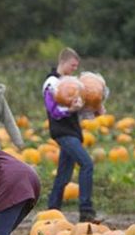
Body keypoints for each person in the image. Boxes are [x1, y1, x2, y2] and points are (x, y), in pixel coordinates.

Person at [43, 47, 100, 222]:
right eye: (73, 66)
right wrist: (69, 110)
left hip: (73, 131)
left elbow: (78, 111)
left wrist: (93, 111)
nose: (74, 69)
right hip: (62, 132)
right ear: (64, 62)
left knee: (64, 174)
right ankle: (86, 209)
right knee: (86, 164)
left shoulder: (73, 83)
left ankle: (53, 211)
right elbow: (53, 110)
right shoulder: (52, 82)